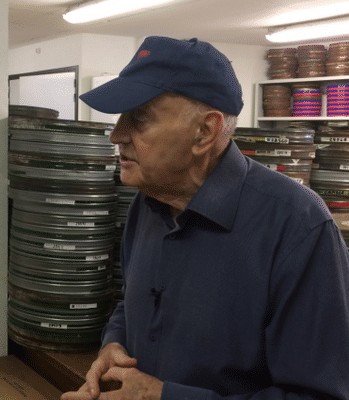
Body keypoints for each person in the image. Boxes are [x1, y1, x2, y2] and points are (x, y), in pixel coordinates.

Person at [61, 36, 349, 400]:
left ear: (205, 131)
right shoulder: (147, 203)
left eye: (138, 119)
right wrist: (113, 343)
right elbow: (132, 302)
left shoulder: (299, 229)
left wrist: (163, 397)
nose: (116, 135)